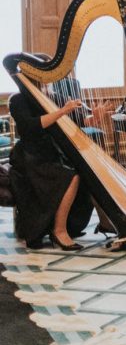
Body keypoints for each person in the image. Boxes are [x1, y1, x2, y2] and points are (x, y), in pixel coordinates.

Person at [8, 93, 95, 251]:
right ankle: (59, 231)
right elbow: (29, 126)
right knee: (71, 177)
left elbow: (76, 122)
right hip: (30, 157)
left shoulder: (52, 96)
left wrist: (96, 116)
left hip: (52, 152)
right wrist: (62, 111)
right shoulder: (18, 99)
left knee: (87, 171)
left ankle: (102, 223)